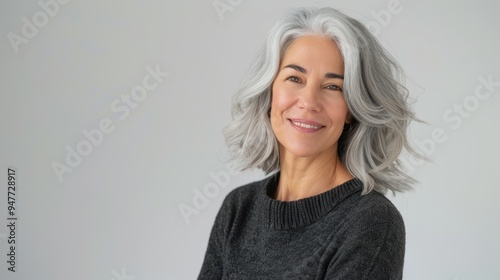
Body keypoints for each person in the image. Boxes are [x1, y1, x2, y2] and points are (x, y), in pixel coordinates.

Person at [198, 7, 422, 280]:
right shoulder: (238, 209)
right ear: (270, 91)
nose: (309, 102)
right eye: (295, 78)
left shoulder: (370, 222)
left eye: (333, 87)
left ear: (352, 108)